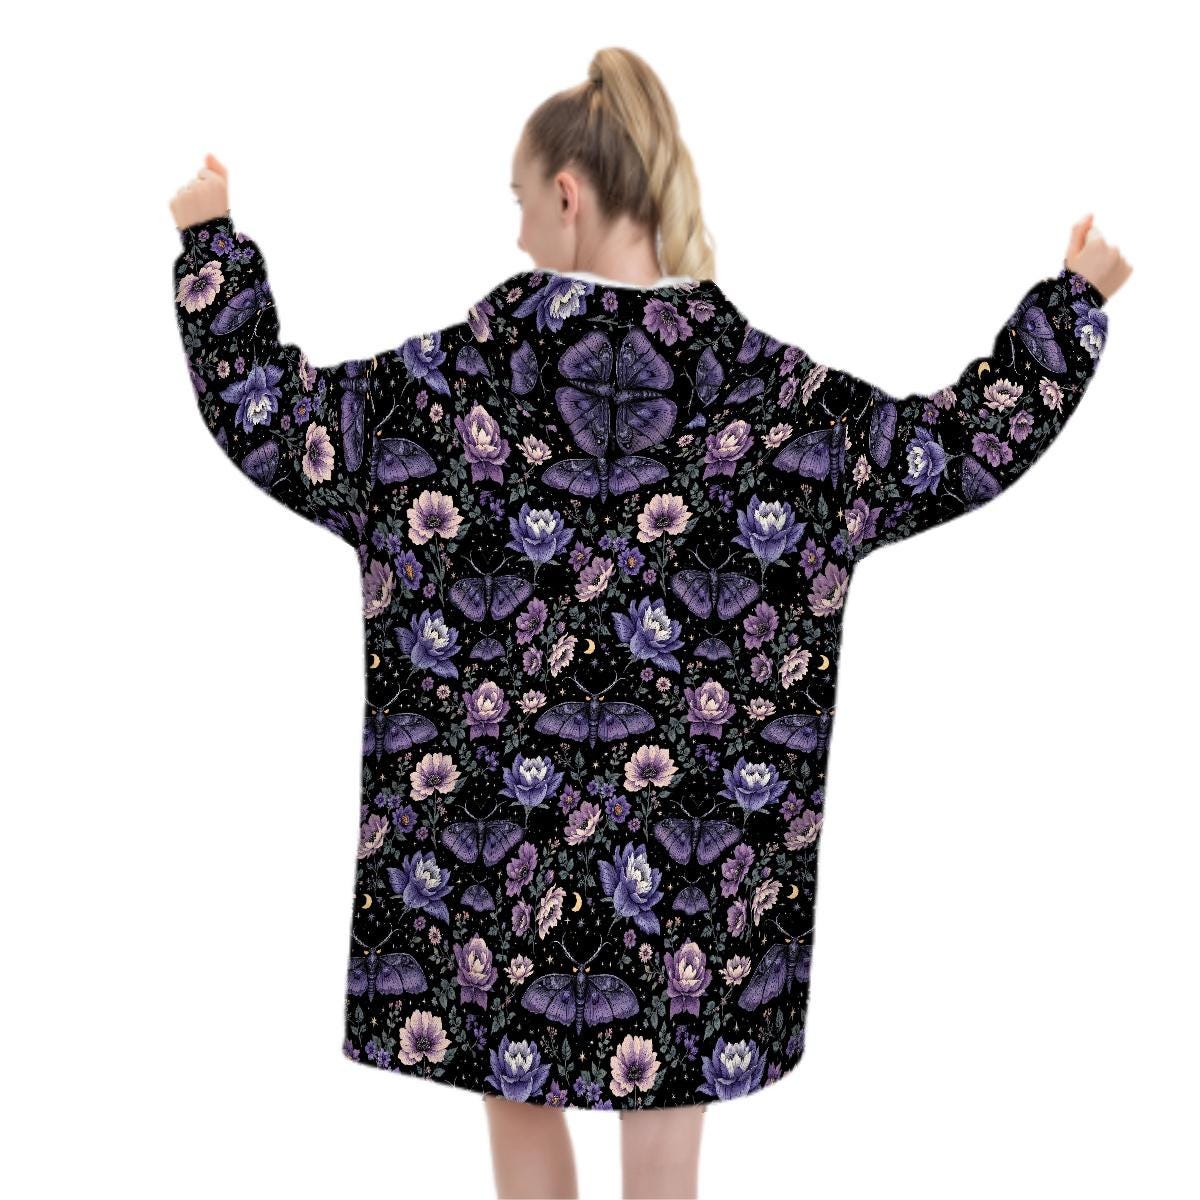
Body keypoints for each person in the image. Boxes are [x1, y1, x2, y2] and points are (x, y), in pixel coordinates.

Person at [169, 45, 1130, 1200]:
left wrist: (211, 241)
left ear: (567, 195)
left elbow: (277, 421)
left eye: (520, 203)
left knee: (514, 1095)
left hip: (495, 848)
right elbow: (953, 448)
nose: (519, 232)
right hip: (696, 866)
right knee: (669, 1147)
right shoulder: (777, 404)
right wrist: (1072, 305)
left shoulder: (445, 393)